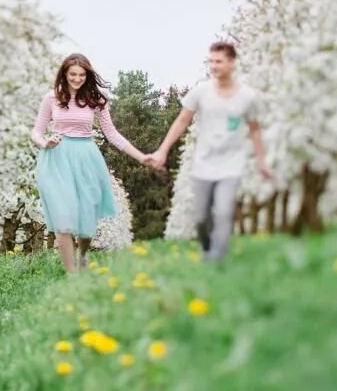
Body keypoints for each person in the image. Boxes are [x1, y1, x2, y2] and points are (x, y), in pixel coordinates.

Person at [146, 41, 273, 261]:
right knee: (202, 218)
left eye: (219, 61)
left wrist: (262, 161)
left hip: (231, 164)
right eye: (211, 61)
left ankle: (215, 261)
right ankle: (208, 249)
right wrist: (162, 150)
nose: (213, 66)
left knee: (223, 213)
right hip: (203, 163)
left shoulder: (247, 97)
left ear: (232, 63)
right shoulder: (201, 92)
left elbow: (254, 130)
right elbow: (182, 121)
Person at [32, 53, 153, 273]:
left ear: (87, 76)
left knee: (87, 221)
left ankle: (82, 254)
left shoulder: (97, 99)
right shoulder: (52, 98)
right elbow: (37, 131)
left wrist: (141, 156)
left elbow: (112, 134)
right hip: (57, 158)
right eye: (73, 74)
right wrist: (45, 143)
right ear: (64, 74)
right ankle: (72, 275)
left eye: (81, 75)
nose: (77, 79)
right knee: (63, 217)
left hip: (86, 156)